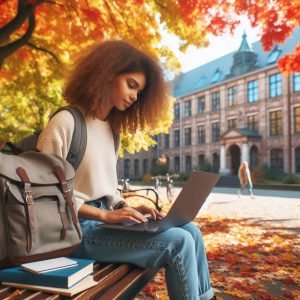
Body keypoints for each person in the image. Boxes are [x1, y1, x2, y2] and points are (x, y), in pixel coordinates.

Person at [37, 40, 215, 300]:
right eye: (131, 84)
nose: (134, 96)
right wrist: (105, 216)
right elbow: (46, 196)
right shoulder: (65, 122)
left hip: (103, 223)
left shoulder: (112, 131)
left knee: (191, 231)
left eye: (139, 92)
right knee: (179, 242)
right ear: (107, 73)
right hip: (73, 232)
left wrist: (124, 207)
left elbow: (105, 186)